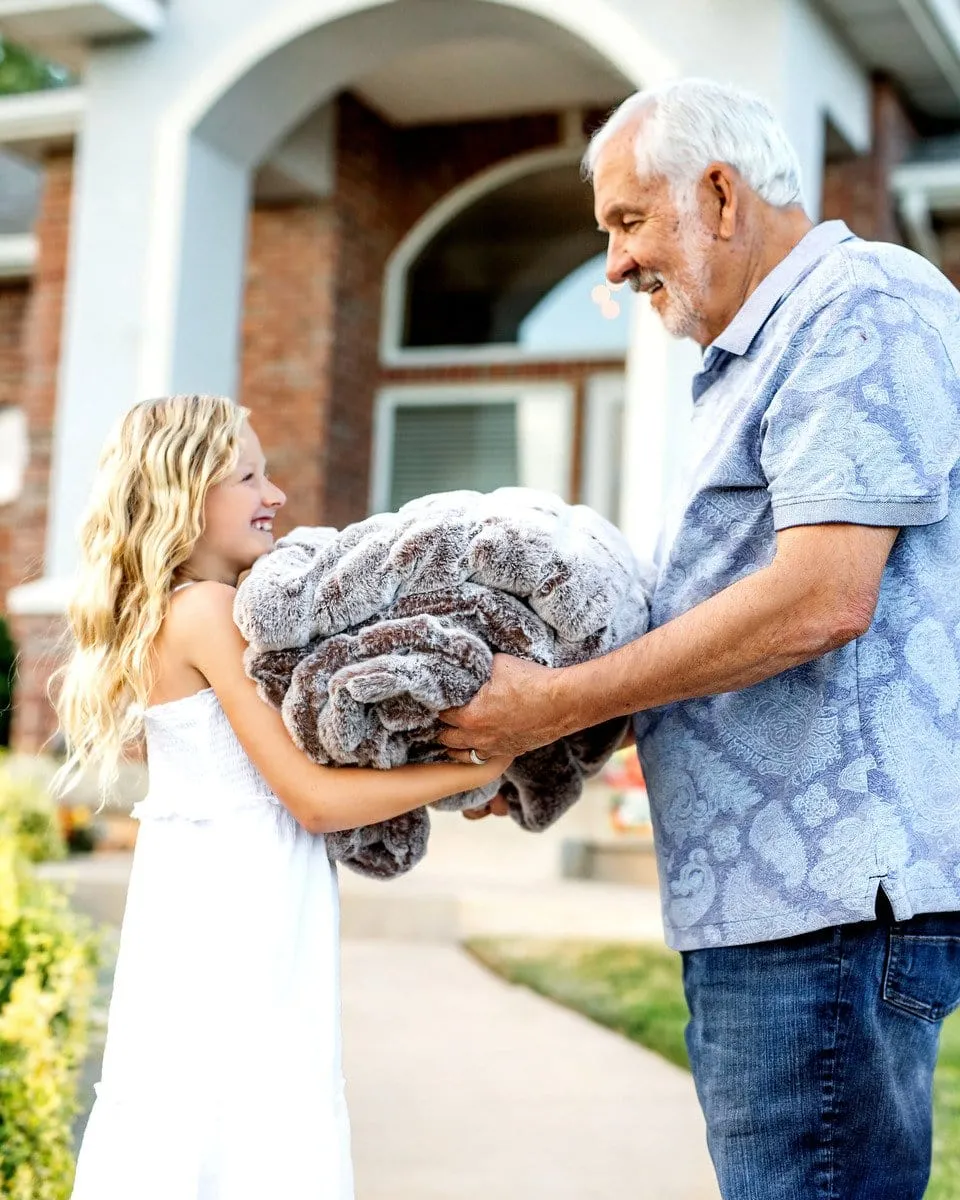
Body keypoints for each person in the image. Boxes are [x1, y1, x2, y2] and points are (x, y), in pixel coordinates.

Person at [439, 78, 960, 1200]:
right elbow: (715, 621)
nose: (614, 266)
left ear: (720, 194)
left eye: (627, 222)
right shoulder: (750, 358)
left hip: (821, 916)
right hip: (771, 915)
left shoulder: (858, 307)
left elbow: (822, 597)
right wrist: (544, 749)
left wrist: (556, 704)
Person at [57, 394, 509, 1200]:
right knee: (253, 1125)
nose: (276, 496)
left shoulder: (177, 611)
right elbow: (312, 799)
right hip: (243, 902)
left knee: (198, 1117)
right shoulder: (208, 610)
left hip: (208, 890)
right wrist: (479, 762)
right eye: (249, 476)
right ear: (184, 496)